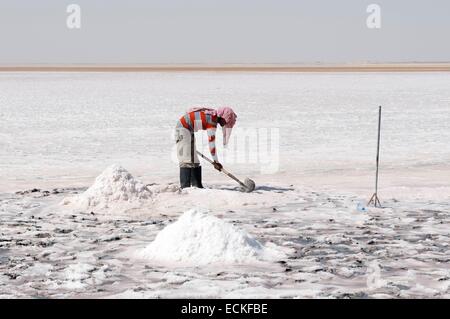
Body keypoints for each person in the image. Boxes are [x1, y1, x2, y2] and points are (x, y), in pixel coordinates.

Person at [175, 106, 237, 188]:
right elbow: (211, 143)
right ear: (222, 117)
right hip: (182, 129)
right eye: (226, 121)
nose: (225, 124)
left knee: (194, 159)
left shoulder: (212, 117)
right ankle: (185, 187)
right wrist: (216, 161)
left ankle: (197, 186)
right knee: (186, 159)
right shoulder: (211, 120)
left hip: (187, 130)